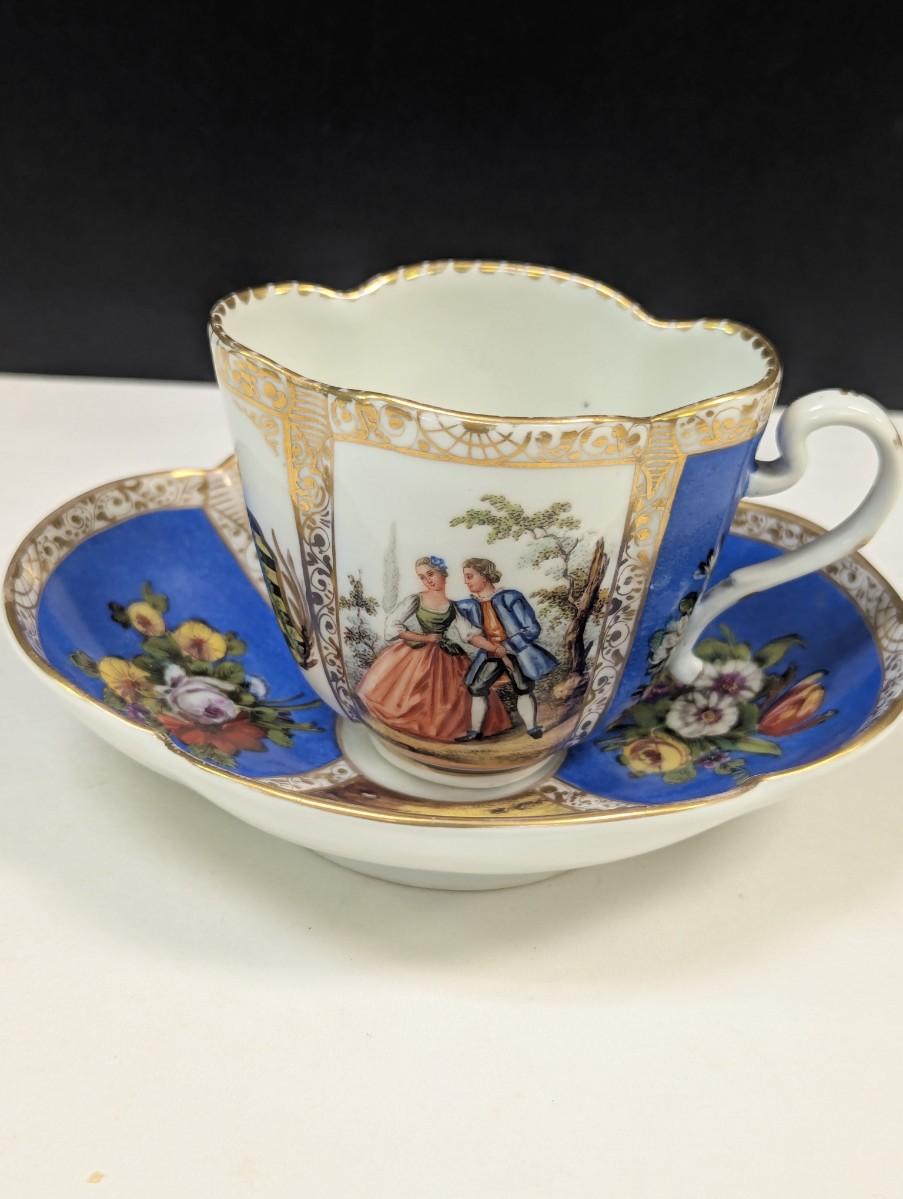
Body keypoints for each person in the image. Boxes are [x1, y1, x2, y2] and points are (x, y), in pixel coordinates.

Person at [358, 555, 510, 742]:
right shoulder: (416, 600)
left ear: (442, 573)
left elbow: (470, 635)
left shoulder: (452, 607)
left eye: (430, 574)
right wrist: (425, 638)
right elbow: (392, 628)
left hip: (446, 656)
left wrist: (494, 648)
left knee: (453, 693)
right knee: (410, 691)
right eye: (422, 577)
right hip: (416, 654)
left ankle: (453, 729)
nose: (427, 580)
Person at [454, 557, 558, 741]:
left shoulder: (510, 597)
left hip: (517, 652)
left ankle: (532, 727)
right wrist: (494, 649)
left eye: (469, 576)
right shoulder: (468, 605)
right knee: (477, 687)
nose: (465, 582)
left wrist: (507, 646)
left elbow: (532, 628)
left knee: (523, 687)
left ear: (484, 576)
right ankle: (475, 731)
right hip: (490, 654)